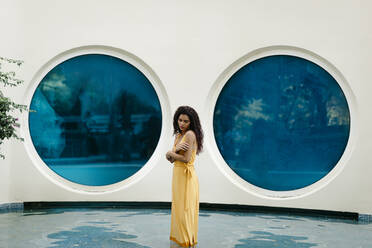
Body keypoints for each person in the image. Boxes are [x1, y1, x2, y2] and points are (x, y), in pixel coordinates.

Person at [166, 106, 204, 247]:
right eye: (180, 120)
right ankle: (180, 240)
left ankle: (187, 242)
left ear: (191, 122)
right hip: (177, 175)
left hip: (186, 176)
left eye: (185, 121)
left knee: (185, 211)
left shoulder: (190, 135)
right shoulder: (178, 135)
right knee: (178, 209)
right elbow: (172, 160)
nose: (181, 123)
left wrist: (170, 153)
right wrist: (171, 153)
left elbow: (186, 159)